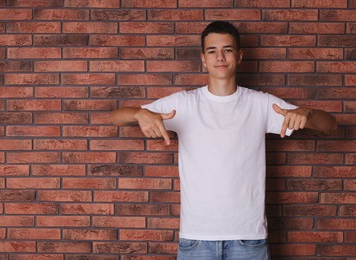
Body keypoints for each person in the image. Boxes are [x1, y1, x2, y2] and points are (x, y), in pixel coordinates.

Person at [110, 21, 338, 260]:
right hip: (196, 240)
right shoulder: (183, 104)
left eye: (227, 50)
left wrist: (307, 113)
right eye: (212, 51)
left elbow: (331, 125)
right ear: (203, 58)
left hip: (248, 240)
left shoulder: (260, 104)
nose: (220, 57)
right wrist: (138, 113)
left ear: (239, 56)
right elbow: (116, 117)